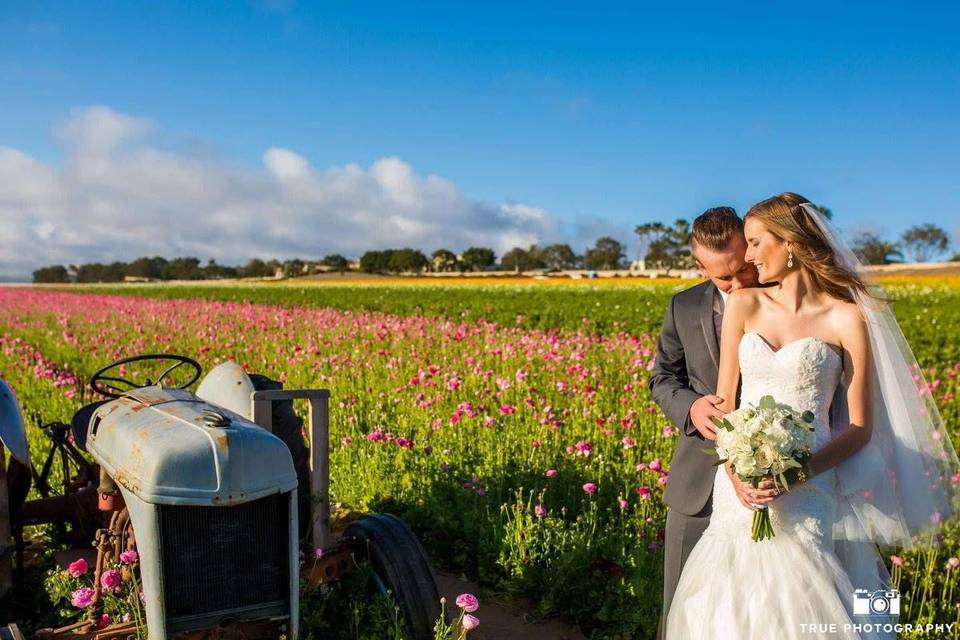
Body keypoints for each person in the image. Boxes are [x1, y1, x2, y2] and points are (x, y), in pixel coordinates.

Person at [665, 193, 957, 639]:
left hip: (811, 485)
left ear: (791, 244)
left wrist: (797, 474)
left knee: (805, 592)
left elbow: (860, 427)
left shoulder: (847, 317)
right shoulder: (744, 305)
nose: (750, 255)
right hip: (739, 487)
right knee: (726, 602)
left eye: (757, 243)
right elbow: (726, 404)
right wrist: (735, 469)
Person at [648, 206, 761, 631]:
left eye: (742, 270)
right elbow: (662, 379)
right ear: (700, 266)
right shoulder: (683, 306)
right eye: (723, 277)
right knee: (680, 609)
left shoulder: (786, 301)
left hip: (768, 480)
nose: (736, 285)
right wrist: (691, 407)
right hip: (697, 478)